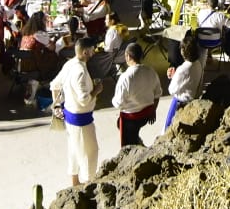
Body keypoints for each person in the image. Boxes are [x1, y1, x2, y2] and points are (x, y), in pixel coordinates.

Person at [50, 36, 103, 186]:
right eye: (92, 50)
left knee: (74, 149)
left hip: (70, 115)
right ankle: (88, 183)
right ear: (85, 52)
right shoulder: (80, 71)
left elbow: (54, 85)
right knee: (90, 153)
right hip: (81, 119)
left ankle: (74, 181)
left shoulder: (70, 64)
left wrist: (57, 106)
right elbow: (84, 99)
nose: (93, 53)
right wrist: (97, 90)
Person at [112, 41, 163, 147]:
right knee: (133, 135)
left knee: (128, 146)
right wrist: (153, 110)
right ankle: (137, 141)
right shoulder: (151, 71)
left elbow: (118, 103)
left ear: (127, 56)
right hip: (146, 115)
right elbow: (157, 94)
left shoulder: (126, 77)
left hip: (130, 119)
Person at [164, 29, 206, 130]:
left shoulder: (182, 69)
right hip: (194, 97)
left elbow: (171, 90)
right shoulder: (198, 63)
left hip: (181, 102)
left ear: (183, 51)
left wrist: (174, 76)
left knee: (168, 127)